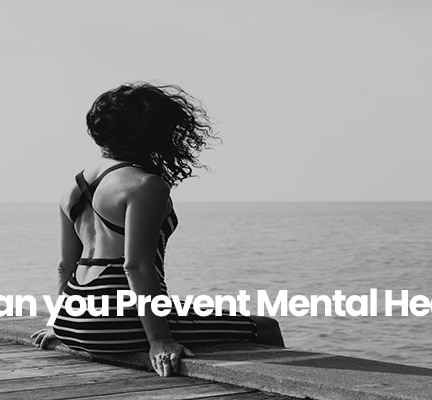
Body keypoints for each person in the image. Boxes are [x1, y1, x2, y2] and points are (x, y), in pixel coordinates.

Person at [31, 82, 284, 377]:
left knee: (187, 309)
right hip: (116, 321)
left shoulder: (73, 186)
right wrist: (160, 340)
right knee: (266, 327)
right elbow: (137, 267)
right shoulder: (145, 185)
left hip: (71, 319)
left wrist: (59, 323)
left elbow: (65, 265)